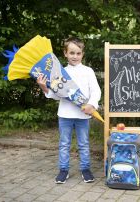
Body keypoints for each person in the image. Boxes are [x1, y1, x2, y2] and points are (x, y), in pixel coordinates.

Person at [36, 37, 101, 184]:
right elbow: (54, 94)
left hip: (83, 115)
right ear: (65, 53)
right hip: (65, 115)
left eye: (78, 53)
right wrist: (43, 85)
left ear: (82, 54)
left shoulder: (88, 71)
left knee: (83, 144)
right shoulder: (60, 72)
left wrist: (92, 104)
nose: (75, 56)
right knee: (64, 144)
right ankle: (63, 170)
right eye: (72, 53)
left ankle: (85, 169)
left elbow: (96, 91)